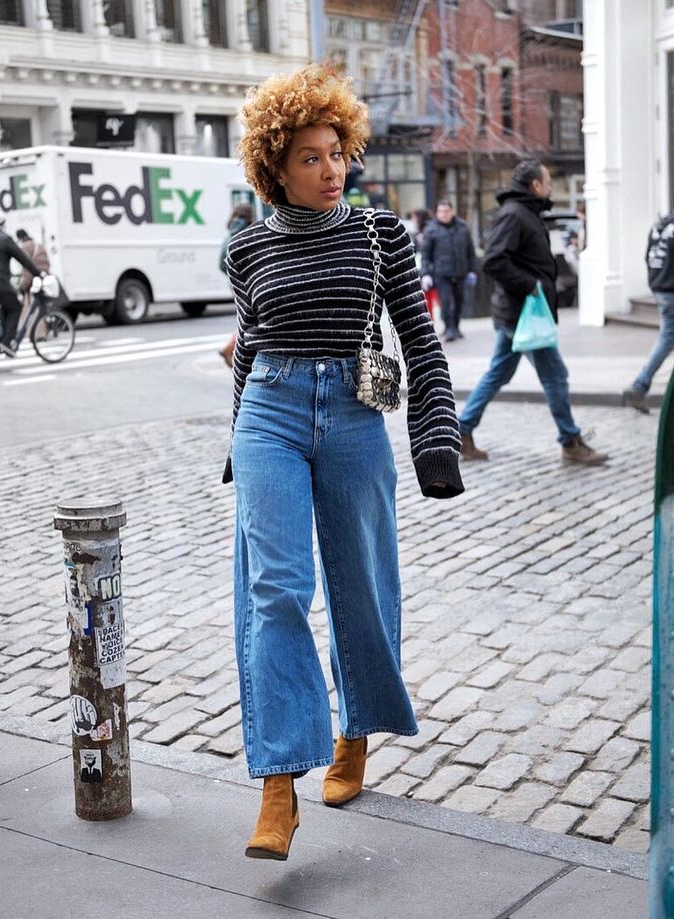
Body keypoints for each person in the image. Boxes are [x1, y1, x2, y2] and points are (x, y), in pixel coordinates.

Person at [224, 63, 464, 861]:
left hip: (356, 416)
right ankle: (277, 784)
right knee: (276, 590)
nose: (331, 171)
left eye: (337, 152)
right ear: (274, 168)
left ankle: (353, 727)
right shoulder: (246, 248)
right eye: (310, 158)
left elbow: (420, 341)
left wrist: (435, 436)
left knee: (361, 586)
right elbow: (249, 348)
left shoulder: (379, 234)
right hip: (270, 410)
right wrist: (238, 445)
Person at [458, 160, 609, 466]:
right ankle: (570, 441)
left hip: (518, 313)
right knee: (556, 375)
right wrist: (531, 286)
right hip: (523, 314)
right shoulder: (515, 214)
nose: (551, 186)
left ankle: (462, 430)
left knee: (499, 372)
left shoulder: (524, 212)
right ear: (535, 186)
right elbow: (494, 261)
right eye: (547, 181)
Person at [623, 211, 674, 413]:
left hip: (660, 288)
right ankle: (639, 385)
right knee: (667, 338)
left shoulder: (658, 227)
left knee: (667, 337)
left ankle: (640, 385)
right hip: (671, 290)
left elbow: (648, 257)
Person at [0, 213, 43, 358]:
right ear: (1, 224)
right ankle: (6, 344)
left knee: (7, 306)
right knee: (16, 308)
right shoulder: (4, 239)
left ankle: (0, 338)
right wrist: (37, 273)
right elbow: (23, 259)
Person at [420, 200, 477, 341]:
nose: (444, 214)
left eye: (446, 211)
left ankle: (456, 327)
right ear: (437, 213)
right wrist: (426, 273)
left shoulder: (463, 228)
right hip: (441, 273)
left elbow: (470, 252)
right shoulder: (431, 230)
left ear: (452, 211)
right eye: (441, 211)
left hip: (460, 272)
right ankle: (449, 328)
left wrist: (472, 270)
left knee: (459, 301)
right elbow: (426, 255)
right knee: (445, 302)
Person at [218, 204, 255, 368]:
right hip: (252, 285)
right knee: (251, 321)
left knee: (244, 319)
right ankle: (232, 347)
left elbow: (221, 264)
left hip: (235, 286)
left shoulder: (229, 235)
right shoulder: (250, 233)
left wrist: (234, 276)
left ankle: (230, 346)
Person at [15, 229, 50, 305]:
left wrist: (24, 286)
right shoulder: (39, 245)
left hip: (34, 279)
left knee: (30, 304)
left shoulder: (24, 247)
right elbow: (47, 262)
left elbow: (27, 267)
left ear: (19, 238)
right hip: (44, 276)